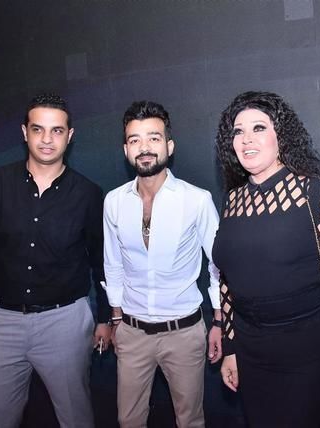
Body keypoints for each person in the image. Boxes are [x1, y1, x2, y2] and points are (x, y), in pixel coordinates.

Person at [0, 93, 111, 428]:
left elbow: (100, 261)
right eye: (38, 129)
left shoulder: (88, 194)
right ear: (24, 132)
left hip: (64, 324)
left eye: (56, 131)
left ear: (70, 136)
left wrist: (104, 318)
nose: (47, 139)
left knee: (76, 419)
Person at [213, 91, 320, 427]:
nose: (247, 139)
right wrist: (231, 347)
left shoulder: (317, 193)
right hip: (251, 352)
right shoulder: (232, 201)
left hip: (308, 353)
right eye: (238, 131)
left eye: (259, 128)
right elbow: (227, 281)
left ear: (281, 135)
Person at [103, 100, 222, 428]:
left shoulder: (196, 200)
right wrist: (116, 319)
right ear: (126, 150)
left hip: (184, 333)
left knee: (190, 421)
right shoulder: (113, 202)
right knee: (128, 421)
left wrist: (219, 320)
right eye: (135, 140)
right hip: (131, 332)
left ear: (169, 146)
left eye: (153, 138)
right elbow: (113, 262)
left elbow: (218, 264)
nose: (144, 147)